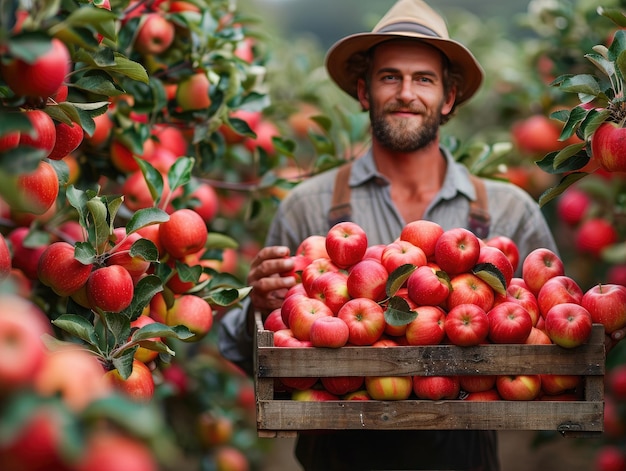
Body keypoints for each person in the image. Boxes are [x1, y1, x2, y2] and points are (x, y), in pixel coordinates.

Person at [218, 0, 621, 469]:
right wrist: (262, 307)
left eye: (423, 79)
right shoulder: (307, 206)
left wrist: (589, 342)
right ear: (364, 91)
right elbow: (259, 357)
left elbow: (552, 351)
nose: (405, 92)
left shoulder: (509, 210)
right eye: (389, 76)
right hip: (338, 453)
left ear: (448, 98)